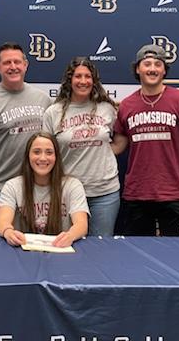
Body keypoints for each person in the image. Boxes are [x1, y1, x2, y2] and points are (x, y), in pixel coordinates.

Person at [112, 44, 179, 236]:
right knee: (136, 258)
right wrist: (88, 144)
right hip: (136, 195)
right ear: (138, 69)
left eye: (158, 64)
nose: (152, 68)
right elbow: (118, 146)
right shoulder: (127, 105)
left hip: (172, 193)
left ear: (164, 70)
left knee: (177, 258)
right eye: (146, 64)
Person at [0, 42, 51, 233]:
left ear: (26, 64)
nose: (13, 67)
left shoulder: (43, 99)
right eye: (7, 63)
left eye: (17, 62)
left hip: (35, 192)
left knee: (33, 251)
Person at [43, 57, 119, 236]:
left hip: (104, 193)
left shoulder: (107, 108)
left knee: (100, 248)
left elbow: (119, 140)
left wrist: (102, 152)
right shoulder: (53, 112)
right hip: (66, 192)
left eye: (88, 76)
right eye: (78, 76)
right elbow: (45, 152)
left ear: (94, 80)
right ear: (70, 80)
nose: (83, 81)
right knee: (66, 246)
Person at [0, 131, 89, 247]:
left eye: (49, 152)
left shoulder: (73, 186)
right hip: (23, 250)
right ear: (28, 156)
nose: (43, 158)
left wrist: (70, 236)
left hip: (60, 249)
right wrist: (8, 232)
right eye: (36, 152)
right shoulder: (12, 186)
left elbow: (81, 224)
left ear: (56, 157)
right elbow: (2, 222)